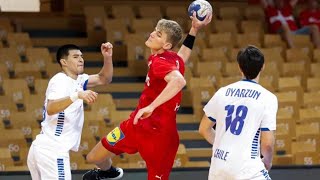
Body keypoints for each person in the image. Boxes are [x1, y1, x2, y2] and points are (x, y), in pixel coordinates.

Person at [82, 13, 212, 180]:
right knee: (94, 157)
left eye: (158, 34)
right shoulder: (170, 58)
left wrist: (152, 106)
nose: (152, 34)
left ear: (166, 44)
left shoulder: (160, 62)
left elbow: (179, 81)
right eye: (155, 30)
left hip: (160, 136)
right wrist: (194, 29)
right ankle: (108, 172)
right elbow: (183, 55)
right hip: (135, 125)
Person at [27, 43, 114, 180]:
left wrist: (107, 58)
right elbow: (51, 108)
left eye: (81, 56)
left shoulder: (79, 80)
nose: (81, 59)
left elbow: (104, 78)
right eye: (75, 56)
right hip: (52, 149)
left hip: (44, 148)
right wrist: (77, 95)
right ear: (64, 62)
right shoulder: (59, 80)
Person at [199, 45, 278, 180]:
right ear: (262, 67)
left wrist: (224, 145)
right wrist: (267, 162)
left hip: (219, 166)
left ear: (239, 67)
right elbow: (267, 143)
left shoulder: (222, 92)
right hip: (247, 168)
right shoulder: (268, 97)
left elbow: (203, 129)